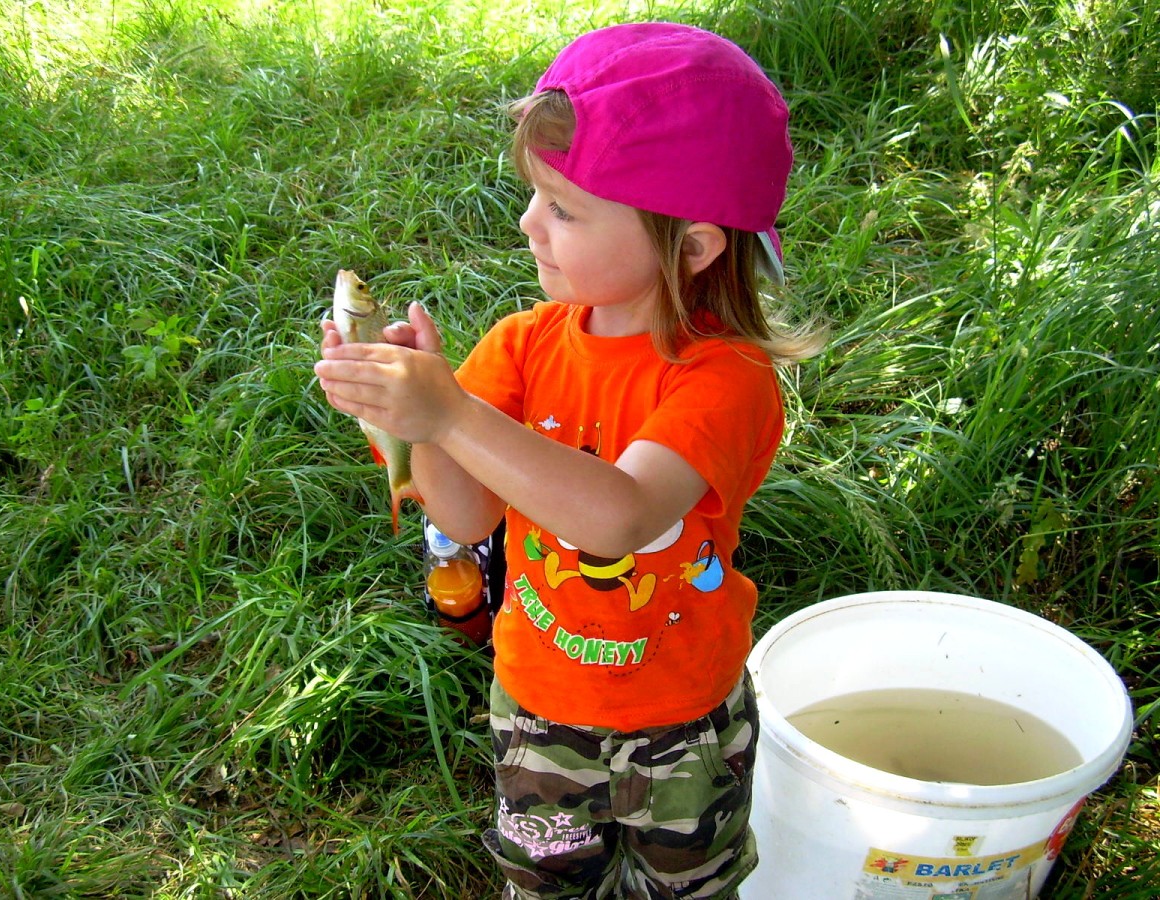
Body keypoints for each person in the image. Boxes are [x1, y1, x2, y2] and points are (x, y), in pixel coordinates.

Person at [315, 21, 826, 899]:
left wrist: (451, 411)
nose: (528, 225)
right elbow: (467, 516)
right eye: (535, 198)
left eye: (564, 209)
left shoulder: (726, 379)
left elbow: (623, 513)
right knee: (545, 884)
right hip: (539, 709)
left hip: (685, 724)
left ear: (693, 246)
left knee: (691, 887)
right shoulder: (522, 346)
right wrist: (413, 421)